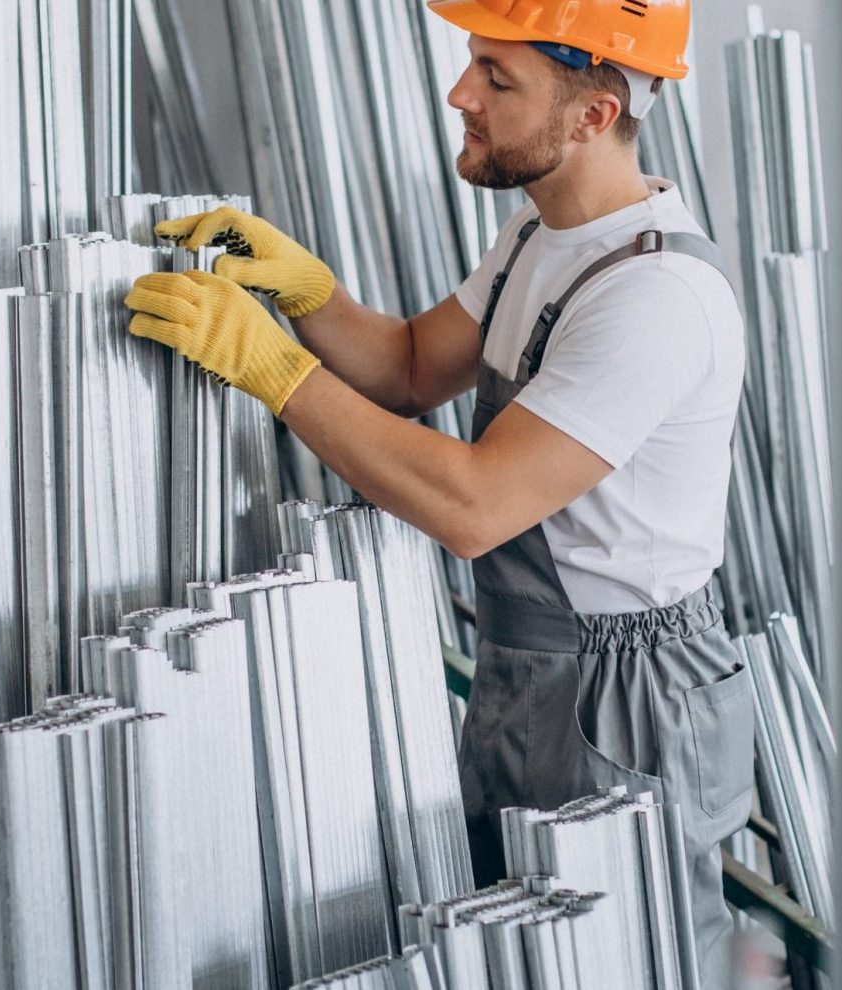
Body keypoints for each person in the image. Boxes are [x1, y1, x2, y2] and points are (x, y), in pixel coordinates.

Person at [122, 0, 755, 981]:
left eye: (498, 80)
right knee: (524, 945)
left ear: (595, 113)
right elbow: (414, 366)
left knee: (633, 958)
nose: (460, 94)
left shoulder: (657, 297)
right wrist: (307, 295)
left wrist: (274, 371)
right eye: (471, 63)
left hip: (625, 695)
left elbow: (475, 506)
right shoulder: (538, 238)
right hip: (528, 658)